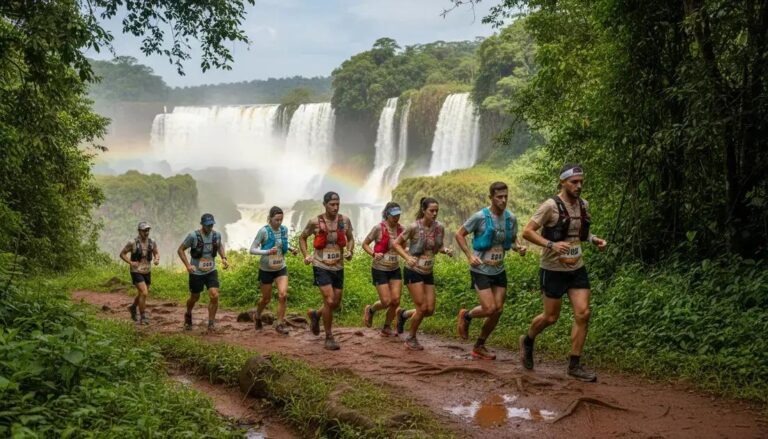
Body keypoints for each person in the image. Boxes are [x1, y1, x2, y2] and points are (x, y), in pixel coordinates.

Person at [520, 164, 608, 381]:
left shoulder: (584, 205)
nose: (579, 186)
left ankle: (574, 365)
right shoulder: (550, 206)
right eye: (574, 182)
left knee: (583, 313)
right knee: (551, 317)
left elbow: (579, 233)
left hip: (576, 267)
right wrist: (551, 244)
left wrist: (593, 239)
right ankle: (528, 340)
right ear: (563, 182)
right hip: (553, 269)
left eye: (581, 182)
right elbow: (527, 232)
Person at [455, 182, 527, 359]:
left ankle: (479, 345)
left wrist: (518, 247)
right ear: (491, 198)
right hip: (480, 269)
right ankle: (467, 315)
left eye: (505, 197)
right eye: (499, 197)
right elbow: (459, 234)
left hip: (498, 269)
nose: (503, 200)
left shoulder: (511, 218)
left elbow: (512, 238)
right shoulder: (479, 216)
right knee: (489, 308)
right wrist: (469, 255)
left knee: (498, 310)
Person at [392, 197, 454, 350]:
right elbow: (396, 244)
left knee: (430, 309)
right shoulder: (413, 227)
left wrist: (445, 250)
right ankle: (411, 338)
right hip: (413, 271)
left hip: (428, 271)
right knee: (422, 307)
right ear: (423, 210)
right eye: (431, 211)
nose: (434, 214)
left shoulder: (439, 228)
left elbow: (438, 247)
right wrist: (407, 258)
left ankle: (403, 315)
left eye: (436, 211)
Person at [299, 192, 355, 350]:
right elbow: (302, 237)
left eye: (338, 204)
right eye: (332, 204)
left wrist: (350, 251)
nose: (335, 207)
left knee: (335, 303)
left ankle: (316, 315)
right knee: (329, 301)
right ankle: (329, 336)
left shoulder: (344, 220)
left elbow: (350, 238)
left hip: (338, 266)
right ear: (324, 204)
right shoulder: (315, 222)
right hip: (321, 265)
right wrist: (306, 255)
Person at [249, 206, 297, 335]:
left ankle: (279, 324)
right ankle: (257, 315)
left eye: (281, 220)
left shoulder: (284, 230)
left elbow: (282, 243)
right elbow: (252, 249)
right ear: (270, 218)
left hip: (281, 267)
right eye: (276, 220)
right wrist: (267, 251)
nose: (279, 222)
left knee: (283, 295)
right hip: (266, 269)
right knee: (266, 299)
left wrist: (291, 249)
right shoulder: (263, 231)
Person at [177, 213, 229, 331]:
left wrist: (224, 258)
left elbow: (220, 246)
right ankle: (188, 313)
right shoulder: (193, 236)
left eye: (211, 225)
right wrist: (188, 266)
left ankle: (211, 323)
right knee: (195, 297)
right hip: (196, 273)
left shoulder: (216, 235)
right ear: (202, 225)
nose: (209, 227)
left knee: (214, 295)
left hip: (211, 270)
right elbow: (180, 250)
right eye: (207, 225)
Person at [361, 202, 404, 337]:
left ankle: (386, 326)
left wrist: (409, 254)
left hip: (395, 268)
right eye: (393, 216)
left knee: (396, 300)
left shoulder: (402, 229)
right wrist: (373, 254)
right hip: (379, 269)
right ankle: (371, 310)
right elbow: (365, 244)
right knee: (386, 301)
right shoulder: (378, 228)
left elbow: (405, 246)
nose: (396, 218)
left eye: (398, 215)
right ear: (387, 215)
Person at [119, 221, 159, 325]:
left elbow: (156, 253)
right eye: (144, 230)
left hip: (147, 270)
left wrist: (157, 259)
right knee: (144, 292)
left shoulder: (152, 242)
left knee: (142, 293)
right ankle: (143, 317)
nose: (146, 232)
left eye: (148, 230)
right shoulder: (132, 242)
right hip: (136, 271)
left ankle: (133, 307)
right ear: (139, 231)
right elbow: (122, 254)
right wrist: (131, 262)